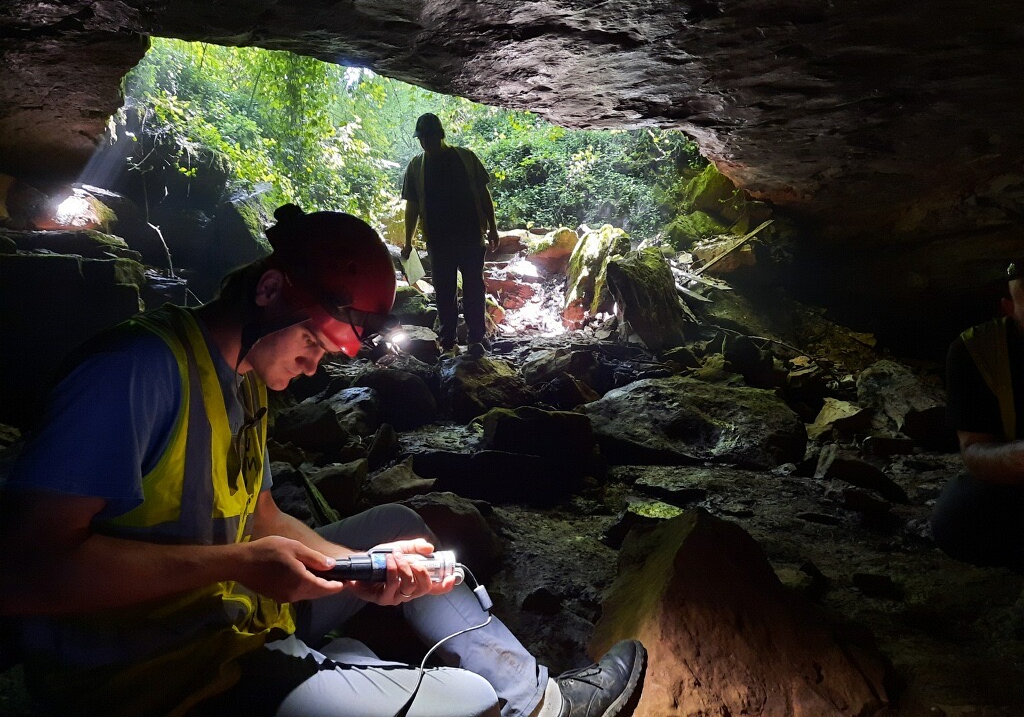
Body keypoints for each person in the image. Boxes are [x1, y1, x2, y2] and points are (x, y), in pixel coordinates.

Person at [0, 204, 647, 717]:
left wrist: (357, 572)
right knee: (471, 702)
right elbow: (23, 572)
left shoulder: (244, 379)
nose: (315, 364)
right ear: (270, 288)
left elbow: (260, 517)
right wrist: (240, 566)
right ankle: (344, 667)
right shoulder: (136, 371)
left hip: (234, 612)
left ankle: (543, 704)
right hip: (158, 671)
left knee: (405, 532)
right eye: (312, 339)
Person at [931, 259, 1024, 572]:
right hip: (1017, 482)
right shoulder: (976, 352)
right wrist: (1018, 457)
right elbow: (974, 450)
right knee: (959, 514)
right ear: (1009, 308)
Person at [400, 113, 500, 353]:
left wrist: (493, 227)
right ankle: (447, 342)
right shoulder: (416, 167)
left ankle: (477, 338)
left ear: (440, 135)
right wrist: (407, 241)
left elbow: (484, 194)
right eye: (421, 138)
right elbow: (412, 206)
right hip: (438, 240)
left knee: (474, 287)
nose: (425, 143)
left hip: (470, 236)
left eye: (429, 137)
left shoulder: (465, 158)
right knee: (444, 292)